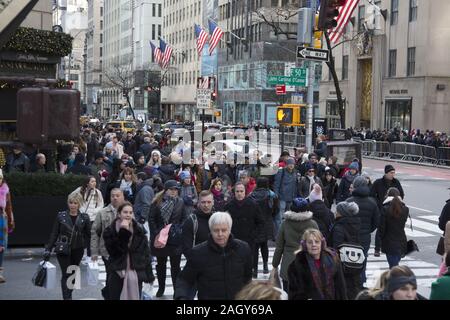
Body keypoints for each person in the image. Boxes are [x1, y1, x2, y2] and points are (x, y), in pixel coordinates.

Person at [174, 211, 252, 300]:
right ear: (210, 230)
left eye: (224, 230)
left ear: (230, 230)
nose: (220, 234)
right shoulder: (198, 252)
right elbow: (185, 279)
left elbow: (248, 278)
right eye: (216, 230)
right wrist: (181, 297)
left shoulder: (243, 249)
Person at [102, 202, 155, 300]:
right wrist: (124, 231)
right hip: (117, 271)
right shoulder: (110, 231)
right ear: (119, 214)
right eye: (125, 212)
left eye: (130, 212)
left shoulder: (139, 230)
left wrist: (149, 275)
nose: (128, 215)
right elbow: (115, 252)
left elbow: (146, 253)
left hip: (136, 272)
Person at [44, 193, 91, 300]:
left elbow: (89, 235)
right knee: (66, 273)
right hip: (63, 249)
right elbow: (54, 233)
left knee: (73, 274)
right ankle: (67, 298)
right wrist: (48, 249)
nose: (73, 205)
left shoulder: (84, 218)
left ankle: (68, 294)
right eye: (71, 203)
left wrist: (92, 250)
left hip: (78, 249)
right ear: (68, 203)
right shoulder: (61, 216)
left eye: (75, 203)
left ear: (79, 204)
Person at [149, 180, 187, 298]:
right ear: (166, 190)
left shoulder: (180, 202)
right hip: (161, 238)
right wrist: (157, 233)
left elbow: (184, 218)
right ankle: (161, 288)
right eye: (171, 189)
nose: (173, 192)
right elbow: (151, 219)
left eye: (176, 190)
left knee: (176, 266)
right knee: (161, 265)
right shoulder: (157, 201)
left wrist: (178, 229)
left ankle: (177, 289)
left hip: (175, 239)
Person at [272, 197, 319, 291]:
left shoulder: (285, 224)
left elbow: (279, 247)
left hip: (288, 265)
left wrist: (275, 265)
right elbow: (318, 245)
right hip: (307, 264)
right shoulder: (313, 224)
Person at [287, 228, 347, 300]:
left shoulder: (333, 259)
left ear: (322, 243)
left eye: (317, 242)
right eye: (310, 242)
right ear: (304, 245)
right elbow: (294, 294)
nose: (314, 245)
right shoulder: (296, 265)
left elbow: (341, 288)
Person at [224, 182, 265, 278]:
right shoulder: (229, 206)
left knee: (247, 267)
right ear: (234, 192)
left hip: (249, 240)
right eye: (237, 191)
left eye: (241, 191)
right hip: (233, 240)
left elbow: (261, 222)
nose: (239, 193)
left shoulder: (253, 204)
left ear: (245, 192)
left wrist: (254, 235)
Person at [91, 188, 125, 299]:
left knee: (121, 278)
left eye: (117, 195)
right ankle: (109, 295)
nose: (115, 198)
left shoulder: (128, 211)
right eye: (112, 196)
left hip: (124, 253)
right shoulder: (103, 212)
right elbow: (95, 232)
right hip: (108, 252)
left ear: (122, 197)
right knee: (111, 276)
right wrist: (94, 251)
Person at [345, 176, 380, 285]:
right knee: (363, 260)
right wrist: (368, 230)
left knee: (350, 261)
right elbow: (376, 222)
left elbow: (343, 220)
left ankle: (352, 284)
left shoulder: (349, 201)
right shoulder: (372, 202)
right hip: (365, 237)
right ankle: (361, 281)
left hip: (350, 237)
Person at [329, 201, 362, 300]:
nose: (335, 212)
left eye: (337, 211)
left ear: (341, 213)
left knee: (341, 288)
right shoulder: (355, 224)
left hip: (341, 264)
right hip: (354, 262)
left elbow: (335, 248)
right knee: (352, 287)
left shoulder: (339, 226)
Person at [70, 175, 104, 262]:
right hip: (81, 217)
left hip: (92, 218)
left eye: (95, 181)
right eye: (92, 181)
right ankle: (79, 255)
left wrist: (94, 211)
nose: (94, 183)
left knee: (90, 238)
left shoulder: (97, 192)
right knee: (79, 236)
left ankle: (89, 256)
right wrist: (79, 208)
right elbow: (70, 197)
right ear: (87, 183)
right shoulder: (80, 190)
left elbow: (101, 205)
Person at [249, 177, 276, 276]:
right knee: (264, 245)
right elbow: (274, 209)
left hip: (255, 223)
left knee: (255, 247)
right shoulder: (270, 195)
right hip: (266, 222)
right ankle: (265, 266)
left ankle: (254, 269)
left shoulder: (252, 195)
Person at [379, 187, 409, 268]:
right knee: (395, 264)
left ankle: (395, 279)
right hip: (401, 240)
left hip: (389, 241)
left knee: (393, 266)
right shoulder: (405, 209)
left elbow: (381, 228)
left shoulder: (385, 209)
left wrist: (379, 243)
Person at [181, 190, 215, 258]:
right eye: (203, 202)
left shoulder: (217, 219)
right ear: (198, 203)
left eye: (209, 202)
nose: (206, 205)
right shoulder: (191, 221)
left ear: (213, 202)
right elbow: (186, 249)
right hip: (198, 263)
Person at [273, 157, 298, 237]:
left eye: (292, 164)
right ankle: (279, 235)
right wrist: (276, 195)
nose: (291, 165)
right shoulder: (281, 171)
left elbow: (295, 185)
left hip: (291, 198)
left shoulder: (295, 173)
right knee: (279, 218)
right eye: (289, 164)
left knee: (288, 218)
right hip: (281, 197)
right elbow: (276, 184)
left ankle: (286, 235)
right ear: (286, 164)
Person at [0, 170, 14, 283]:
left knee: (2, 246)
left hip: (2, 220)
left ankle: (0, 273)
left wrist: (10, 221)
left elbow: (9, 206)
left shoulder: (5, 189)